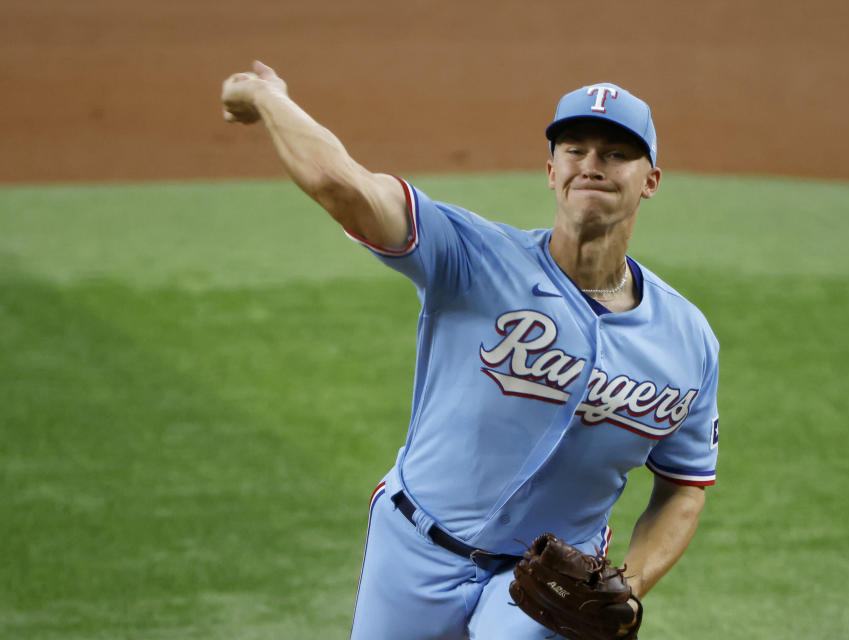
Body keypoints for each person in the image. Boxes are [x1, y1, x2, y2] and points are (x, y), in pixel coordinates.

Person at [222, 61, 720, 639]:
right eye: (575, 149)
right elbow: (344, 186)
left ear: (650, 179)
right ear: (551, 169)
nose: (591, 165)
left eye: (614, 154)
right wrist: (267, 97)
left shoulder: (687, 339)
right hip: (412, 551)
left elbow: (685, 484)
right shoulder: (471, 256)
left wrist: (628, 587)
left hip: (546, 589)